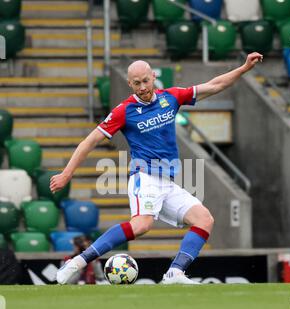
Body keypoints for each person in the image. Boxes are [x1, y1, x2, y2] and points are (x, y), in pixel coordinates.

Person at [51, 53, 263, 285]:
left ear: (153, 77)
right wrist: (67, 173)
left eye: (146, 80)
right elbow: (89, 141)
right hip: (144, 177)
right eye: (137, 83)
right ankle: (78, 262)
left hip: (167, 182)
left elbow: (214, 85)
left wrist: (243, 68)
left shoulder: (171, 97)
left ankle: (175, 273)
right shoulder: (124, 111)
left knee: (204, 219)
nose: (143, 87)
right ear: (129, 84)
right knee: (142, 224)